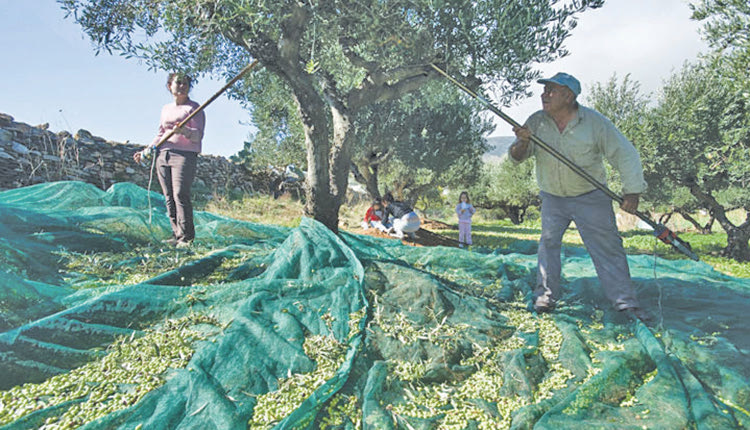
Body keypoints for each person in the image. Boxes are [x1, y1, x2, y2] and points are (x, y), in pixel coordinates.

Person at [509, 72, 649, 320]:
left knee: (607, 247)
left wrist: (633, 192)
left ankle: (625, 302)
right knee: (548, 245)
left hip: (590, 196)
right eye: (544, 90)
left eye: (551, 91)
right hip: (553, 197)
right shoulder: (537, 121)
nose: (544, 95)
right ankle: (545, 296)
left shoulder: (595, 123)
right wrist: (522, 142)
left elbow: (624, 154)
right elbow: (517, 157)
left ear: (568, 95)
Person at [134, 73, 205, 248]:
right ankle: (176, 234)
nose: (182, 86)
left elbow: (198, 135)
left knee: (180, 193)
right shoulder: (166, 109)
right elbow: (161, 133)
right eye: (178, 83)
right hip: (163, 155)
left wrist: (184, 132)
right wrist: (146, 151)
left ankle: (187, 237)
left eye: (186, 83)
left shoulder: (194, 109)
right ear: (169, 86)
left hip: (184, 155)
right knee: (169, 197)